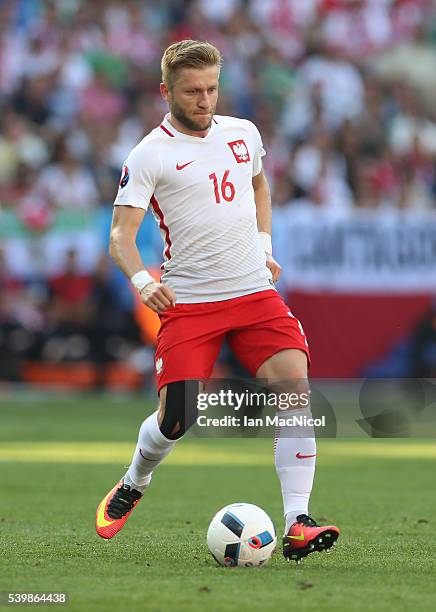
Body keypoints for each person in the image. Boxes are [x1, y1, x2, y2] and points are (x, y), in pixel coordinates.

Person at [95, 40, 339, 563]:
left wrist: (265, 246)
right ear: (166, 92)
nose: (204, 100)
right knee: (177, 417)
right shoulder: (149, 155)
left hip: (253, 291)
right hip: (192, 302)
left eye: (211, 89)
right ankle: (135, 479)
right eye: (191, 92)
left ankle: (298, 520)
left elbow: (260, 189)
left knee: (294, 388)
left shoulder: (242, 133)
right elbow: (120, 236)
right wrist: (143, 282)